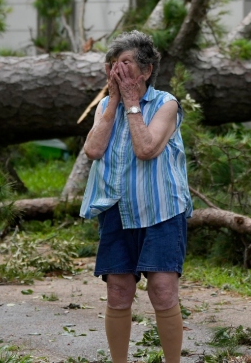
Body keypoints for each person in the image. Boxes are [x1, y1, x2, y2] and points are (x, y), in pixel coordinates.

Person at [81, 30, 192, 363]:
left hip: (161, 211)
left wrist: (131, 104)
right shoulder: (105, 104)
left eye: (126, 63)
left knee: (162, 290)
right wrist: (115, 100)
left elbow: (146, 149)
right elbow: (92, 149)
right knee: (117, 292)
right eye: (115, 64)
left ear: (145, 71)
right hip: (117, 210)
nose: (119, 70)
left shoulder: (165, 104)